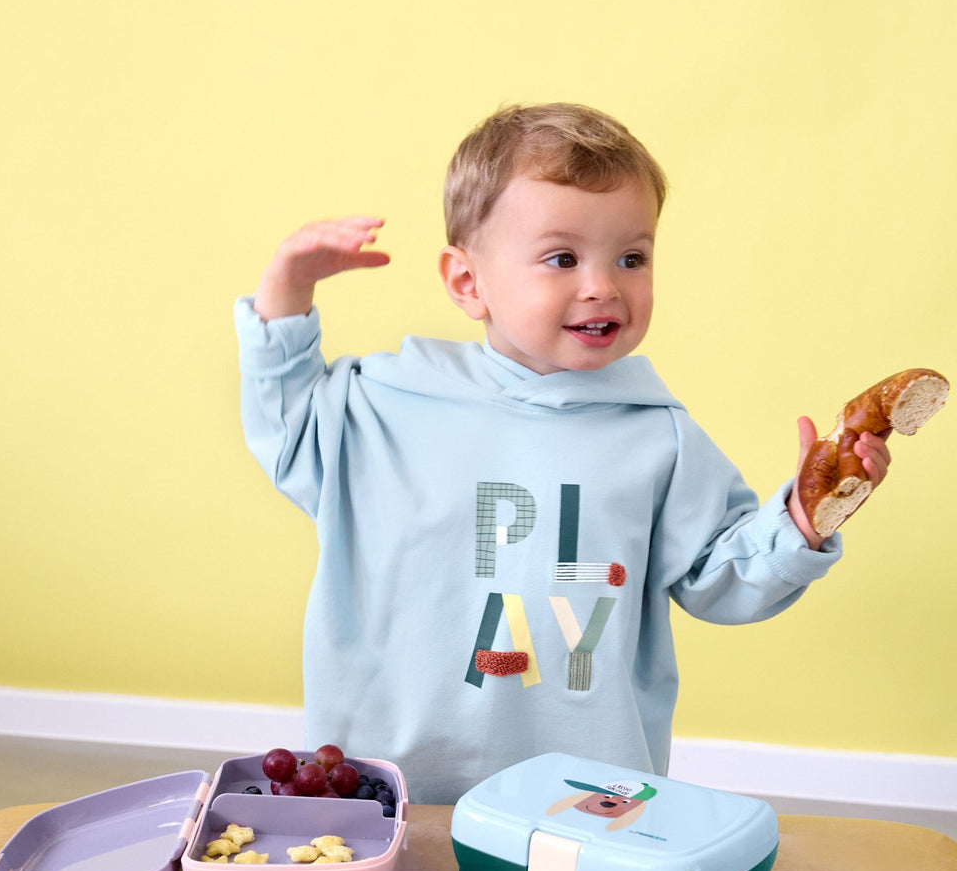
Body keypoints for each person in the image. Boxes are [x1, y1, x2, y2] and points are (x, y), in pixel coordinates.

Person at [235, 103, 890, 803]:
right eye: (562, 258)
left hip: (584, 783)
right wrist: (287, 289)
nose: (603, 285)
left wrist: (802, 521)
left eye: (632, 258)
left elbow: (715, 579)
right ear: (467, 282)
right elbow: (288, 427)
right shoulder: (387, 405)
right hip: (393, 780)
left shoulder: (657, 436)